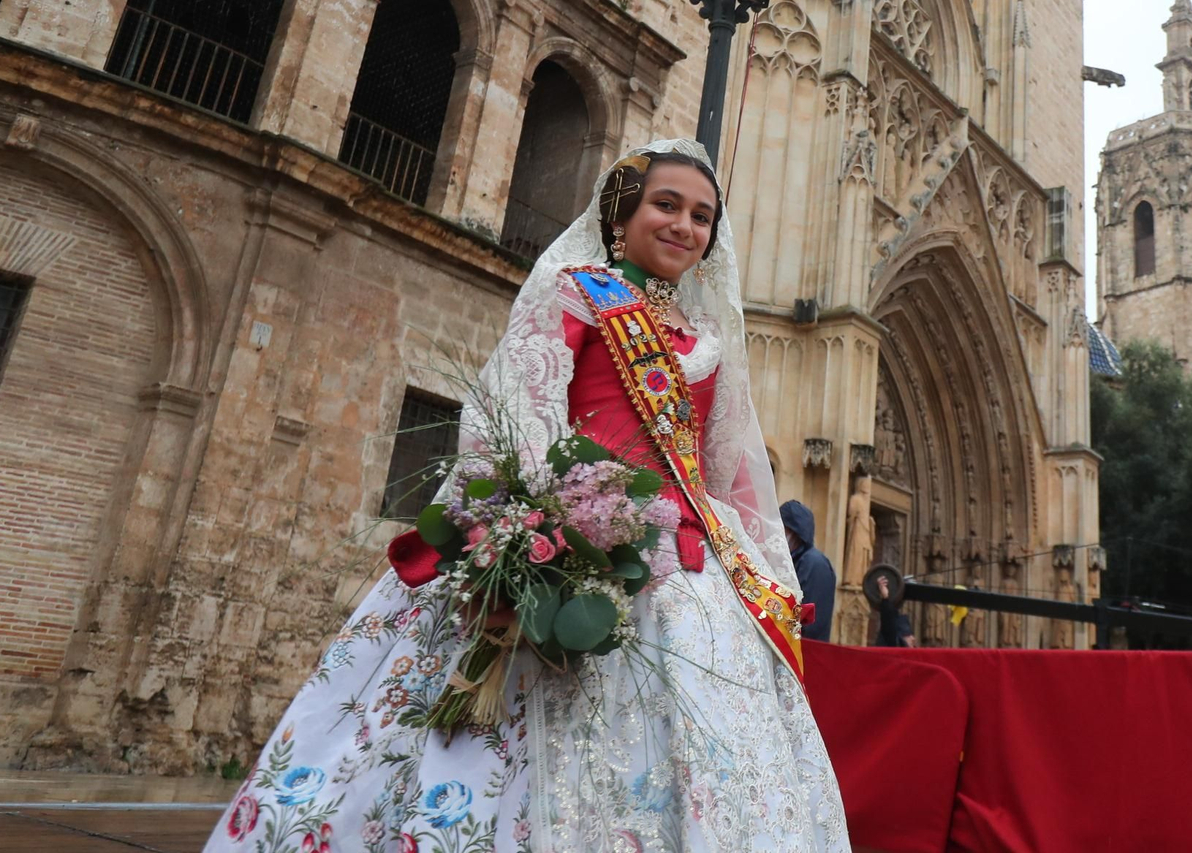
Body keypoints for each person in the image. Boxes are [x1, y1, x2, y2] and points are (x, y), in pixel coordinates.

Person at [203, 140, 849, 852]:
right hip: (583, 534)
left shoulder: (710, 339)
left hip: (689, 568)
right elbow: (520, 407)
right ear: (621, 213)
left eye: (702, 216)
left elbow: (723, 466)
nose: (684, 226)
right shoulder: (576, 291)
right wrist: (546, 522)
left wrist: (751, 561)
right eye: (666, 204)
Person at [780, 499, 837, 642]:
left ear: (793, 531)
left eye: (781, 528)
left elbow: (811, 622)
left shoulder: (814, 563)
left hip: (806, 652)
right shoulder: (791, 561)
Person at [869, 570, 916, 647]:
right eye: (908, 635)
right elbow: (888, 624)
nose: (913, 639)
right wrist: (885, 597)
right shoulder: (894, 643)